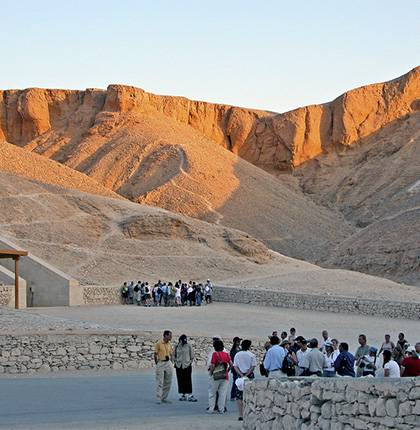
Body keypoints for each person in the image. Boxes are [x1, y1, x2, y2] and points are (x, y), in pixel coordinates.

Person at [233, 340, 256, 422]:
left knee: (239, 396)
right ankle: (248, 413)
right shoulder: (252, 355)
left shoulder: (237, 354)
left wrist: (241, 374)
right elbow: (253, 366)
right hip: (249, 375)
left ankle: (240, 414)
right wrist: (247, 374)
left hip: (239, 375)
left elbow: (235, 366)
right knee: (249, 394)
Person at [208, 340, 232, 414]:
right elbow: (231, 364)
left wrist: (211, 373)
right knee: (222, 393)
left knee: (212, 393)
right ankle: (221, 409)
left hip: (216, 375)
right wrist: (227, 371)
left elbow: (213, 365)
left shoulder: (215, 354)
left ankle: (211, 409)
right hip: (225, 376)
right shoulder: (227, 354)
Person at [174, 335, 197, 401]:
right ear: (180, 340)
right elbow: (173, 355)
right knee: (180, 380)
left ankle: (190, 394)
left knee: (188, 380)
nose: (184, 342)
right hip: (179, 365)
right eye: (183, 341)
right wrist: (175, 361)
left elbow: (192, 355)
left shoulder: (188, 345)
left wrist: (189, 362)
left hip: (187, 365)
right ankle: (183, 394)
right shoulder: (176, 346)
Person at [154, 330, 173, 404]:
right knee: (160, 381)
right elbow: (155, 354)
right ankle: (158, 398)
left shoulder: (169, 344)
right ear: (165, 335)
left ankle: (164, 398)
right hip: (161, 362)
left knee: (168, 381)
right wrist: (157, 363)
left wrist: (172, 361)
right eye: (170, 335)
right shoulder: (159, 343)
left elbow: (171, 353)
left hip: (168, 363)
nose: (171, 337)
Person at [229, 337, 242, 401]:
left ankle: (237, 395)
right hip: (235, 368)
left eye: (239, 341)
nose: (239, 343)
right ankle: (233, 395)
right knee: (235, 382)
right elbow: (232, 359)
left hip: (240, 368)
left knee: (239, 382)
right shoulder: (233, 350)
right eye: (238, 341)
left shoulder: (239, 349)